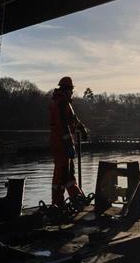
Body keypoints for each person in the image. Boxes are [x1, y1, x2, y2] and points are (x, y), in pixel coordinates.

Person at [49, 75, 88, 210]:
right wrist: (69, 144)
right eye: (71, 89)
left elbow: (73, 119)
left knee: (65, 173)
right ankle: (67, 201)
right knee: (63, 173)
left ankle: (68, 199)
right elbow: (64, 125)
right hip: (62, 145)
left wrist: (82, 129)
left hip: (60, 144)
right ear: (67, 89)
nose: (72, 92)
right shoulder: (62, 103)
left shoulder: (62, 102)